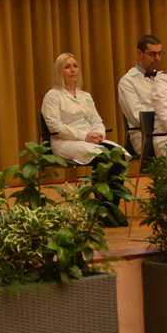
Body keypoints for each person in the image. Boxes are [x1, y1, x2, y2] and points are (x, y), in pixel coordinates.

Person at [40, 53, 128, 222]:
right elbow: (55, 126)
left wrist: (99, 134)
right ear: (59, 71)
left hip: (90, 140)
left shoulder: (85, 96)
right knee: (102, 157)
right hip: (65, 142)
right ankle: (102, 212)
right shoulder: (52, 96)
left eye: (75, 66)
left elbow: (96, 120)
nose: (73, 70)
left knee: (118, 155)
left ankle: (112, 209)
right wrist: (84, 135)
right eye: (67, 67)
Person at [117, 35, 162, 154]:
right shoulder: (127, 81)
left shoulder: (165, 78)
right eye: (152, 54)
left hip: (166, 129)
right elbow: (137, 116)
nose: (157, 58)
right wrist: (164, 117)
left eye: (159, 54)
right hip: (143, 134)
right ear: (139, 53)